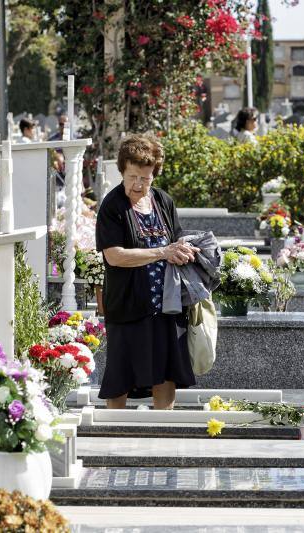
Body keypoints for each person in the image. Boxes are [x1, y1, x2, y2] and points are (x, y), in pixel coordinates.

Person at [95, 133, 199, 409]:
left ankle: (164, 433)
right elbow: (114, 256)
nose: (138, 185)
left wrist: (184, 251)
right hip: (128, 306)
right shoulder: (113, 205)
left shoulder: (163, 201)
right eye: (132, 177)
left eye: (146, 178)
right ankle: (113, 438)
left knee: (166, 375)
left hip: (166, 306)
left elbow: (176, 240)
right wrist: (162, 252)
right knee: (120, 379)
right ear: (122, 170)